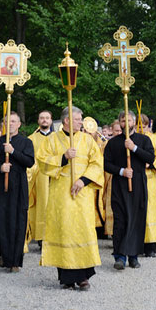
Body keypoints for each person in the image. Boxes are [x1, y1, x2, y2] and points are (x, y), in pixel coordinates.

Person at [38, 106, 104, 290]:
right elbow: (42, 162)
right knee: (64, 230)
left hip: (82, 193)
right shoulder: (53, 139)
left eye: (80, 119)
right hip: (61, 193)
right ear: (66, 120)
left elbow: (97, 164)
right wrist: (63, 158)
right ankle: (66, 276)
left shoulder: (87, 140)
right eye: (77, 119)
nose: (80, 122)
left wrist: (83, 180)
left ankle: (83, 277)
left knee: (82, 230)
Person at [0, 112, 34, 272]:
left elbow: (29, 161)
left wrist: (12, 152)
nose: (10, 124)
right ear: (3, 124)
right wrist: (0, 167)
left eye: (14, 121)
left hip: (18, 187)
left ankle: (15, 261)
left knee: (18, 222)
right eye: (7, 121)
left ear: (19, 124)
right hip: (0, 188)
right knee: (1, 221)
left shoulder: (26, 142)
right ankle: (5, 256)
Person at [104, 110, 155, 270]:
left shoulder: (143, 140)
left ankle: (133, 256)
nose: (126, 123)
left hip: (138, 184)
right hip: (120, 185)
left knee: (137, 219)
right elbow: (106, 164)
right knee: (120, 220)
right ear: (120, 123)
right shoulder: (112, 143)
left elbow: (150, 158)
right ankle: (119, 256)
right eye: (123, 121)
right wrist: (121, 171)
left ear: (134, 122)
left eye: (129, 120)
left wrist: (134, 148)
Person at [27, 110, 53, 247]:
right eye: (42, 118)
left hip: (55, 176)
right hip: (39, 177)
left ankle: (54, 236)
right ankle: (41, 237)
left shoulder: (57, 137)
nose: (44, 120)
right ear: (38, 121)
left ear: (51, 120)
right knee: (41, 206)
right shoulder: (31, 139)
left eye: (47, 118)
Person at [140, 114, 156, 258]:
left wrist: (151, 164)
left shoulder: (155, 139)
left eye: (143, 125)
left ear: (148, 125)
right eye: (138, 125)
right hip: (137, 177)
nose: (141, 128)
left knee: (150, 211)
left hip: (150, 178)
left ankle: (150, 246)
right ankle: (138, 244)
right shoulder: (132, 139)